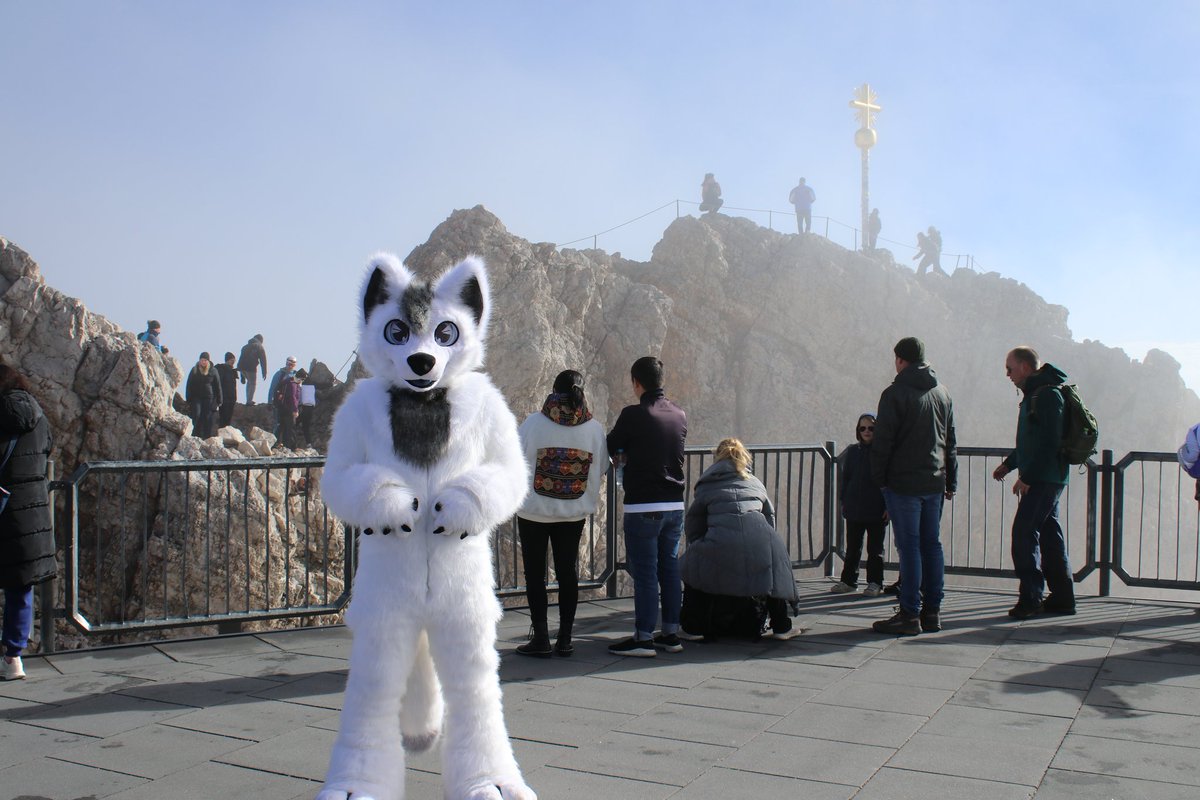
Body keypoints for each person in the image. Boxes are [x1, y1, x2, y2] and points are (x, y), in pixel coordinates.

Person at [514, 370, 609, 658]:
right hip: (572, 512)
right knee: (568, 574)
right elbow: (602, 466)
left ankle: (540, 638)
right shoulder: (594, 429)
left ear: (553, 391)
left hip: (534, 512)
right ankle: (565, 638)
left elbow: (514, 459)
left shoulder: (533, 423)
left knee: (534, 575)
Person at [870, 337, 957, 635]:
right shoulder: (942, 393)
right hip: (934, 482)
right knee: (931, 545)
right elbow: (950, 441)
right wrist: (951, 480)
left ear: (900, 360)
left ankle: (909, 613)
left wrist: (879, 480)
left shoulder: (894, 394)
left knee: (909, 548)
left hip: (903, 483)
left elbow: (883, 442)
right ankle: (933, 611)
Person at [678, 438, 799, 641]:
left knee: (694, 567)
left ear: (717, 457)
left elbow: (694, 523)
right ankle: (782, 627)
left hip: (721, 542)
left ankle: (692, 628)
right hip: (762, 541)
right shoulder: (755, 483)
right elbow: (770, 518)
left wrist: (701, 545)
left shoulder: (707, 485)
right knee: (772, 568)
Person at [606, 356, 688, 657]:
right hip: (674, 505)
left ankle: (642, 638)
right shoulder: (679, 414)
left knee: (645, 573)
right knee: (668, 569)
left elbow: (611, 444)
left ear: (636, 383)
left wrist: (624, 452)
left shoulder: (633, 414)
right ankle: (670, 633)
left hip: (643, 506)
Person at [992, 347, 1076, 618]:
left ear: (1025, 367)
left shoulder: (1047, 395)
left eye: (1010, 368)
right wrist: (1009, 464)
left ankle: (1031, 597)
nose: (1007, 374)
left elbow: (1050, 441)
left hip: (1044, 479)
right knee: (1050, 536)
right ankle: (1063, 598)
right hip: (1046, 476)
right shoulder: (1036, 395)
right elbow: (1030, 441)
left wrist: (1027, 476)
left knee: (1023, 533)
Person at [0, 364, 55, 681]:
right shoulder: (38, 414)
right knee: (20, 587)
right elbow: (48, 448)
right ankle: (13, 658)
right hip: (32, 513)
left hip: (4, 511)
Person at [831, 413, 889, 596]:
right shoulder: (853, 452)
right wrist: (843, 501)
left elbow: (890, 481)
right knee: (852, 548)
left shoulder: (884, 452)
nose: (866, 431)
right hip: (854, 507)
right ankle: (848, 581)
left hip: (877, 508)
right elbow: (846, 479)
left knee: (875, 549)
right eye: (862, 428)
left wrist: (889, 506)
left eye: (871, 428)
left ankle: (875, 582)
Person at [184, 352, 223, 439]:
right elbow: (189, 384)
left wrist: (219, 401)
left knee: (207, 417)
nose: (203, 362)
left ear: (208, 361)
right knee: (196, 415)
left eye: (205, 360)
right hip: (196, 397)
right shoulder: (194, 369)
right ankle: (194, 435)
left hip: (208, 398)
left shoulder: (213, 370)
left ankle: (206, 437)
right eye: (201, 360)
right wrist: (188, 398)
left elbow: (218, 385)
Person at [267, 356, 298, 436]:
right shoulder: (279, 374)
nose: (290, 366)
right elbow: (272, 388)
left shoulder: (296, 376)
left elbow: (298, 391)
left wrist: (298, 404)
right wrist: (270, 402)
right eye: (289, 364)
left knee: (289, 425)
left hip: (290, 405)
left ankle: (284, 444)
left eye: (292, 364)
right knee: (278, 423)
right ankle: (275, 442)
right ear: (286, 363)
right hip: (279, 403)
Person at [273, 365, 301, 449]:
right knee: (291, 427)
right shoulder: (293, 384)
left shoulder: (287, 381)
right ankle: (292, 446)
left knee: (281, 426)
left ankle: (276, 443)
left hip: (281, 407)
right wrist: (295, 410)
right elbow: (293, 397)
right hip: (289, 409)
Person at [237, 334, 268, 405]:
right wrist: (264, 372)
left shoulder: (245, 347)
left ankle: (248, 399)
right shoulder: (259, 346)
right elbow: (263, 360)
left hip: (242, 368)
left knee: (249, 382)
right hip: (251, 368)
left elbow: (241, 359)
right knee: (253, 383)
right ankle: (249, 401)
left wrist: (242, 376)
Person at [215, 352, 239, 429]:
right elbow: (219, 383)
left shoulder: (233, 371)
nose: (233, 362)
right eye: (232, 360)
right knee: (223, 418)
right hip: (224, 397)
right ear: (227, 360)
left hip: (231, 398)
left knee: (228, 419)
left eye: (234, 360)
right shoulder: (222, 369)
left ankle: (225, 435)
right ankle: (221, 434)